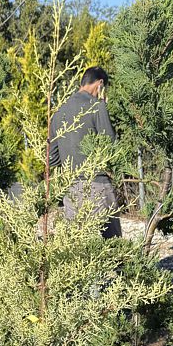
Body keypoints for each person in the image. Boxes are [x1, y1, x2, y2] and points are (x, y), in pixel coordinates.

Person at [49, 66, 121, 238]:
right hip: (98, 185)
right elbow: (110, 145)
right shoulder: (97, 106)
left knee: (75, 245)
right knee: (113, 244)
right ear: (100, 84)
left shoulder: (58, 113)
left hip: (71, 189)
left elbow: (52, 159)